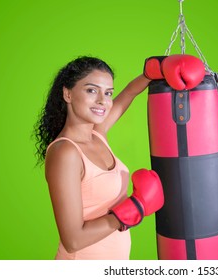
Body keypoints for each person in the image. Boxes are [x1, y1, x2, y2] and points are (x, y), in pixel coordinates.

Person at [34, 56, 164, 260]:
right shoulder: (65, 152)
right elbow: (73, 240)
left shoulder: (97, 136)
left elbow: (129, 92)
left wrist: (151, 74)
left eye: (108, 93)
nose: (103, 101)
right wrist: (134, 208)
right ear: (68, 94)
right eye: (91, 90)